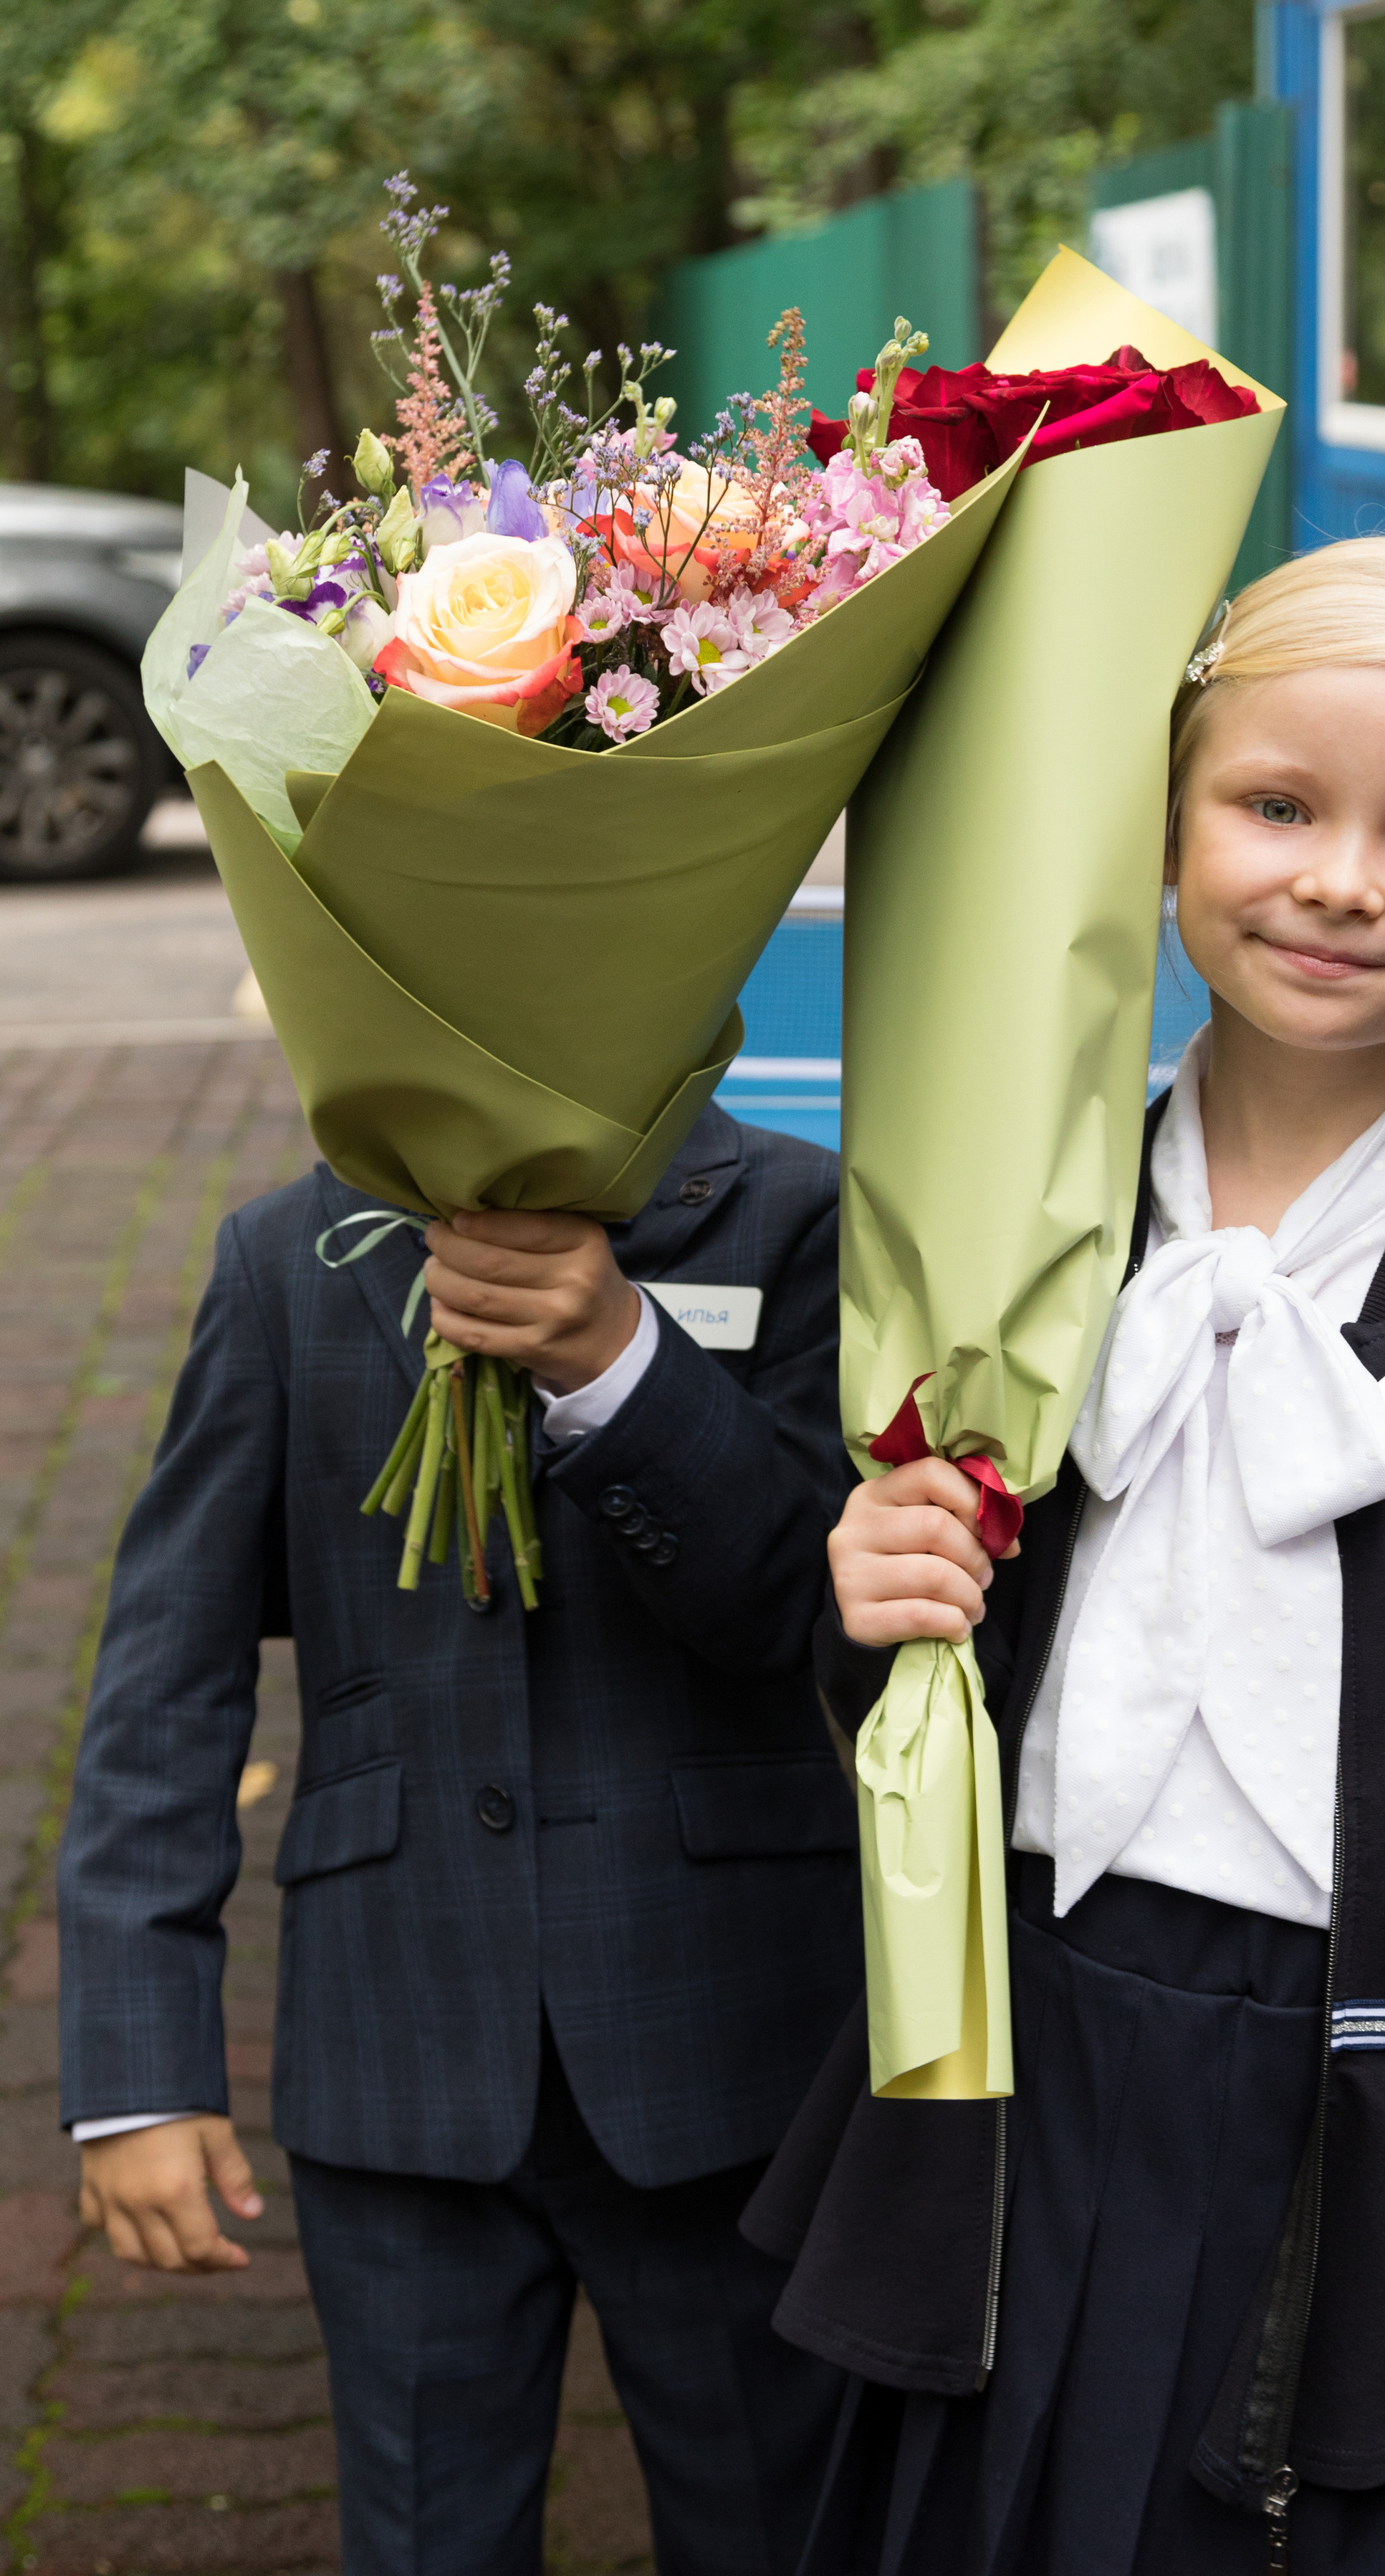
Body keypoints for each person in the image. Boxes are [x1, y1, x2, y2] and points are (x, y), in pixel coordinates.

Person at [744, 538, 1385, 2575]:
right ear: (1170, 816)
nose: (1341, 879)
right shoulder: (1009, 1222)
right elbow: (904, 1698)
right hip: (1026, 2078)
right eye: (1277, 803)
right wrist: (866, 1600)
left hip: (1377, 2131)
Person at [58, 1102, 858, 2576]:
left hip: (728, 2039)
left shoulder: (800, 1218)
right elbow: (165, 1676)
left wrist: (619, 1358)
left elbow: (795, 1608)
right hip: (398, 2045)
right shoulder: (285, 1254)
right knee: (425, 2529)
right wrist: (135, 2068)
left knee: (778, 2518)